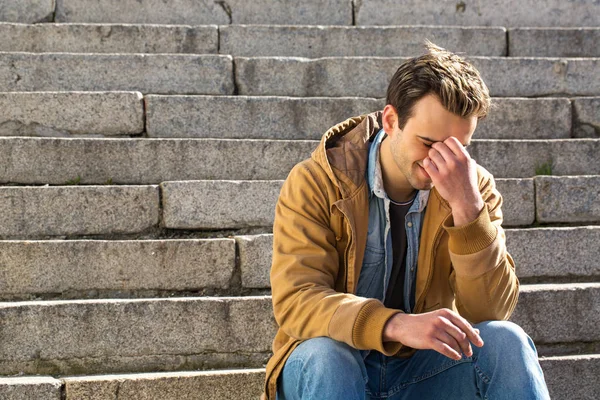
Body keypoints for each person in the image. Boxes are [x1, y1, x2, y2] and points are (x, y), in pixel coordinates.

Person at [262, 42, 550, 400]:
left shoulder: (473, 188)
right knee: (327, 355)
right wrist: (394, 324)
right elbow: (296, 300)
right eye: (428, 143)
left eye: (457, 148)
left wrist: (468, 209)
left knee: (508, 342)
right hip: (333, 369)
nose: (439, 161)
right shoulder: (317, 181)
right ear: (390, 120)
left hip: (423, 371)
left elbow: (491, 311)